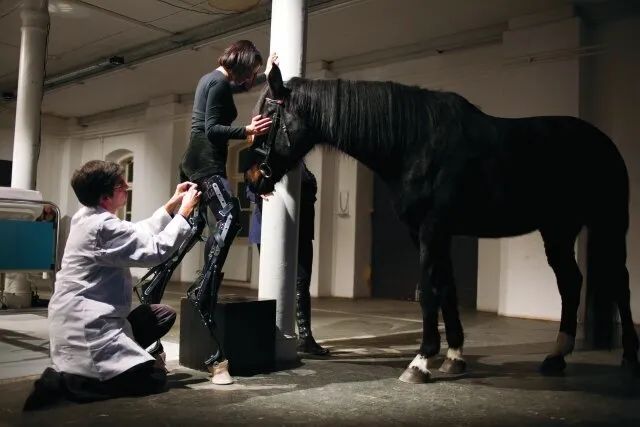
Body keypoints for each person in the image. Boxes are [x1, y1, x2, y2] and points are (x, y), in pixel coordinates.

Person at [23, 160, 200, 410]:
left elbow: (135, 232)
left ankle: (120, 362)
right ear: (105, 196)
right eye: (120, 185)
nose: (126, 186)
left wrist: (172, 205)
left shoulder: (90, 216)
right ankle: (71, 383)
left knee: (161, 315)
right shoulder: (101, 227)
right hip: (86, 326)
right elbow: (155, 250)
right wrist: (184, 213)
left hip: (91, 317)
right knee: (154, 378)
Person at [178, 40, 276, 382]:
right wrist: (246, 131)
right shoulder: (218, 84)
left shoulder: (213, 79)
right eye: (251, 71)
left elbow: (239, 87)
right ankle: (206, 286)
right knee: (231, 215)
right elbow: (212, 130)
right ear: (242, 64)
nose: (250, 78)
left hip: (194, 159)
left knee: (200, 227)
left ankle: (201, 282)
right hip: (206, 160)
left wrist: (267, 75)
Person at [246, 162, 329, 356]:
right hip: (271, 230)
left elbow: (310, 193)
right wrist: (259, 192)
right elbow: (250, 189)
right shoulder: (263, 157)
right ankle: (272, 335)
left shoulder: (300, 164)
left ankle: (305, 337)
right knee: (275, 282)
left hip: (302, 230)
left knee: (302, 282)